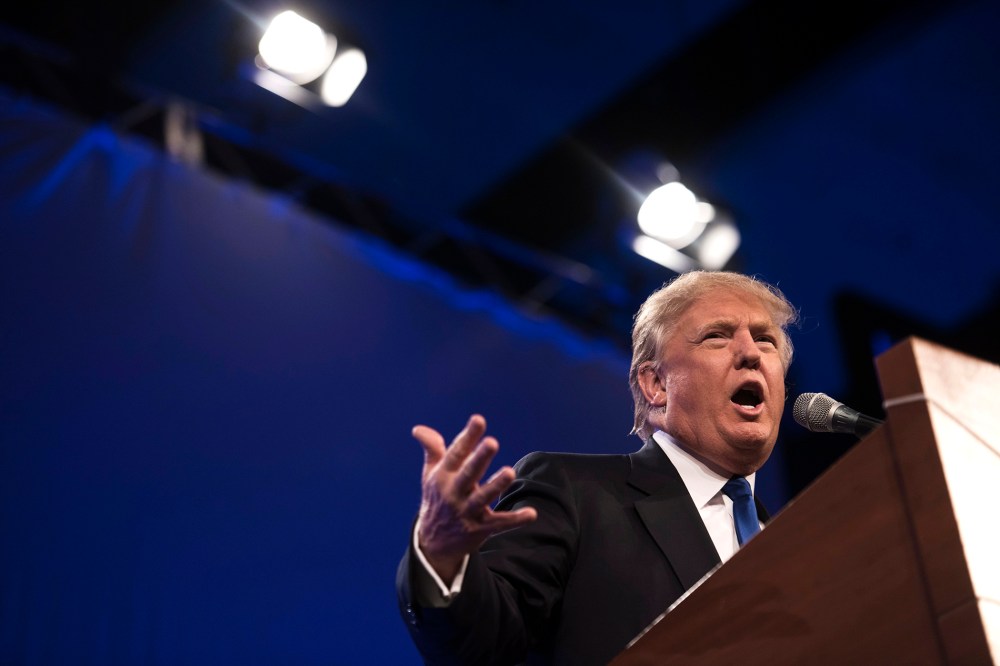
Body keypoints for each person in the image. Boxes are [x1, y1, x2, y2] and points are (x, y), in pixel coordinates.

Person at [397, 271, 798, 665]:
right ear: (656, 385)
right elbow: (484, 643)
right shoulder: (573, 493)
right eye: (717, 336)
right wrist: (442, 558)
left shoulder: (794, 545)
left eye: (765, 340)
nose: (751, 353)